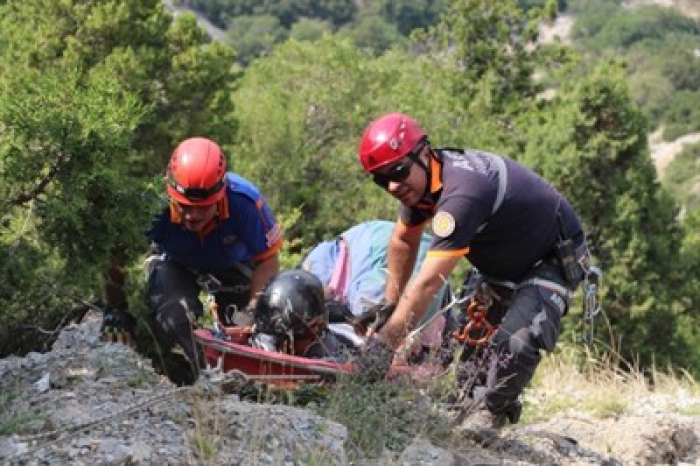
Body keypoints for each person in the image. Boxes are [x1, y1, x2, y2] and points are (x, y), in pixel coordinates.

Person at [354, 113, 590, 428]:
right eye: (381, 179)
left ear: (424, 153)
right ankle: (470, 406)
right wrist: (390, 304)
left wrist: (384, 346)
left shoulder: (462, 193)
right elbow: (403, 242)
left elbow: (427, 284)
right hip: (500, 262)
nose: (393, 186)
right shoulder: (422, 184)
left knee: (515, 343)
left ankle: (490, 415)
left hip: (548, 258)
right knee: (471, 364)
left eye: (397, 172)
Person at [102, 137, 282, 384]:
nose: (192, 215)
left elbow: (268, 260)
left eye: (203, 207)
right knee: (172, 318)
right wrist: (115, 310)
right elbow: (117, 253)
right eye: (184, 206)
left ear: (220, 195)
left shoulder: (245, 202)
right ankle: (198, 375)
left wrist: (252, 311)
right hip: (176, 262)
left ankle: (244, 380)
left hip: (234, 265)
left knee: (243, 333)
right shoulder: (152, 204)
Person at [300, 220, 450, 356]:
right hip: (434, 260)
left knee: (369, 323)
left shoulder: (312, 267)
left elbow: (322, 293)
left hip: (386, 253)